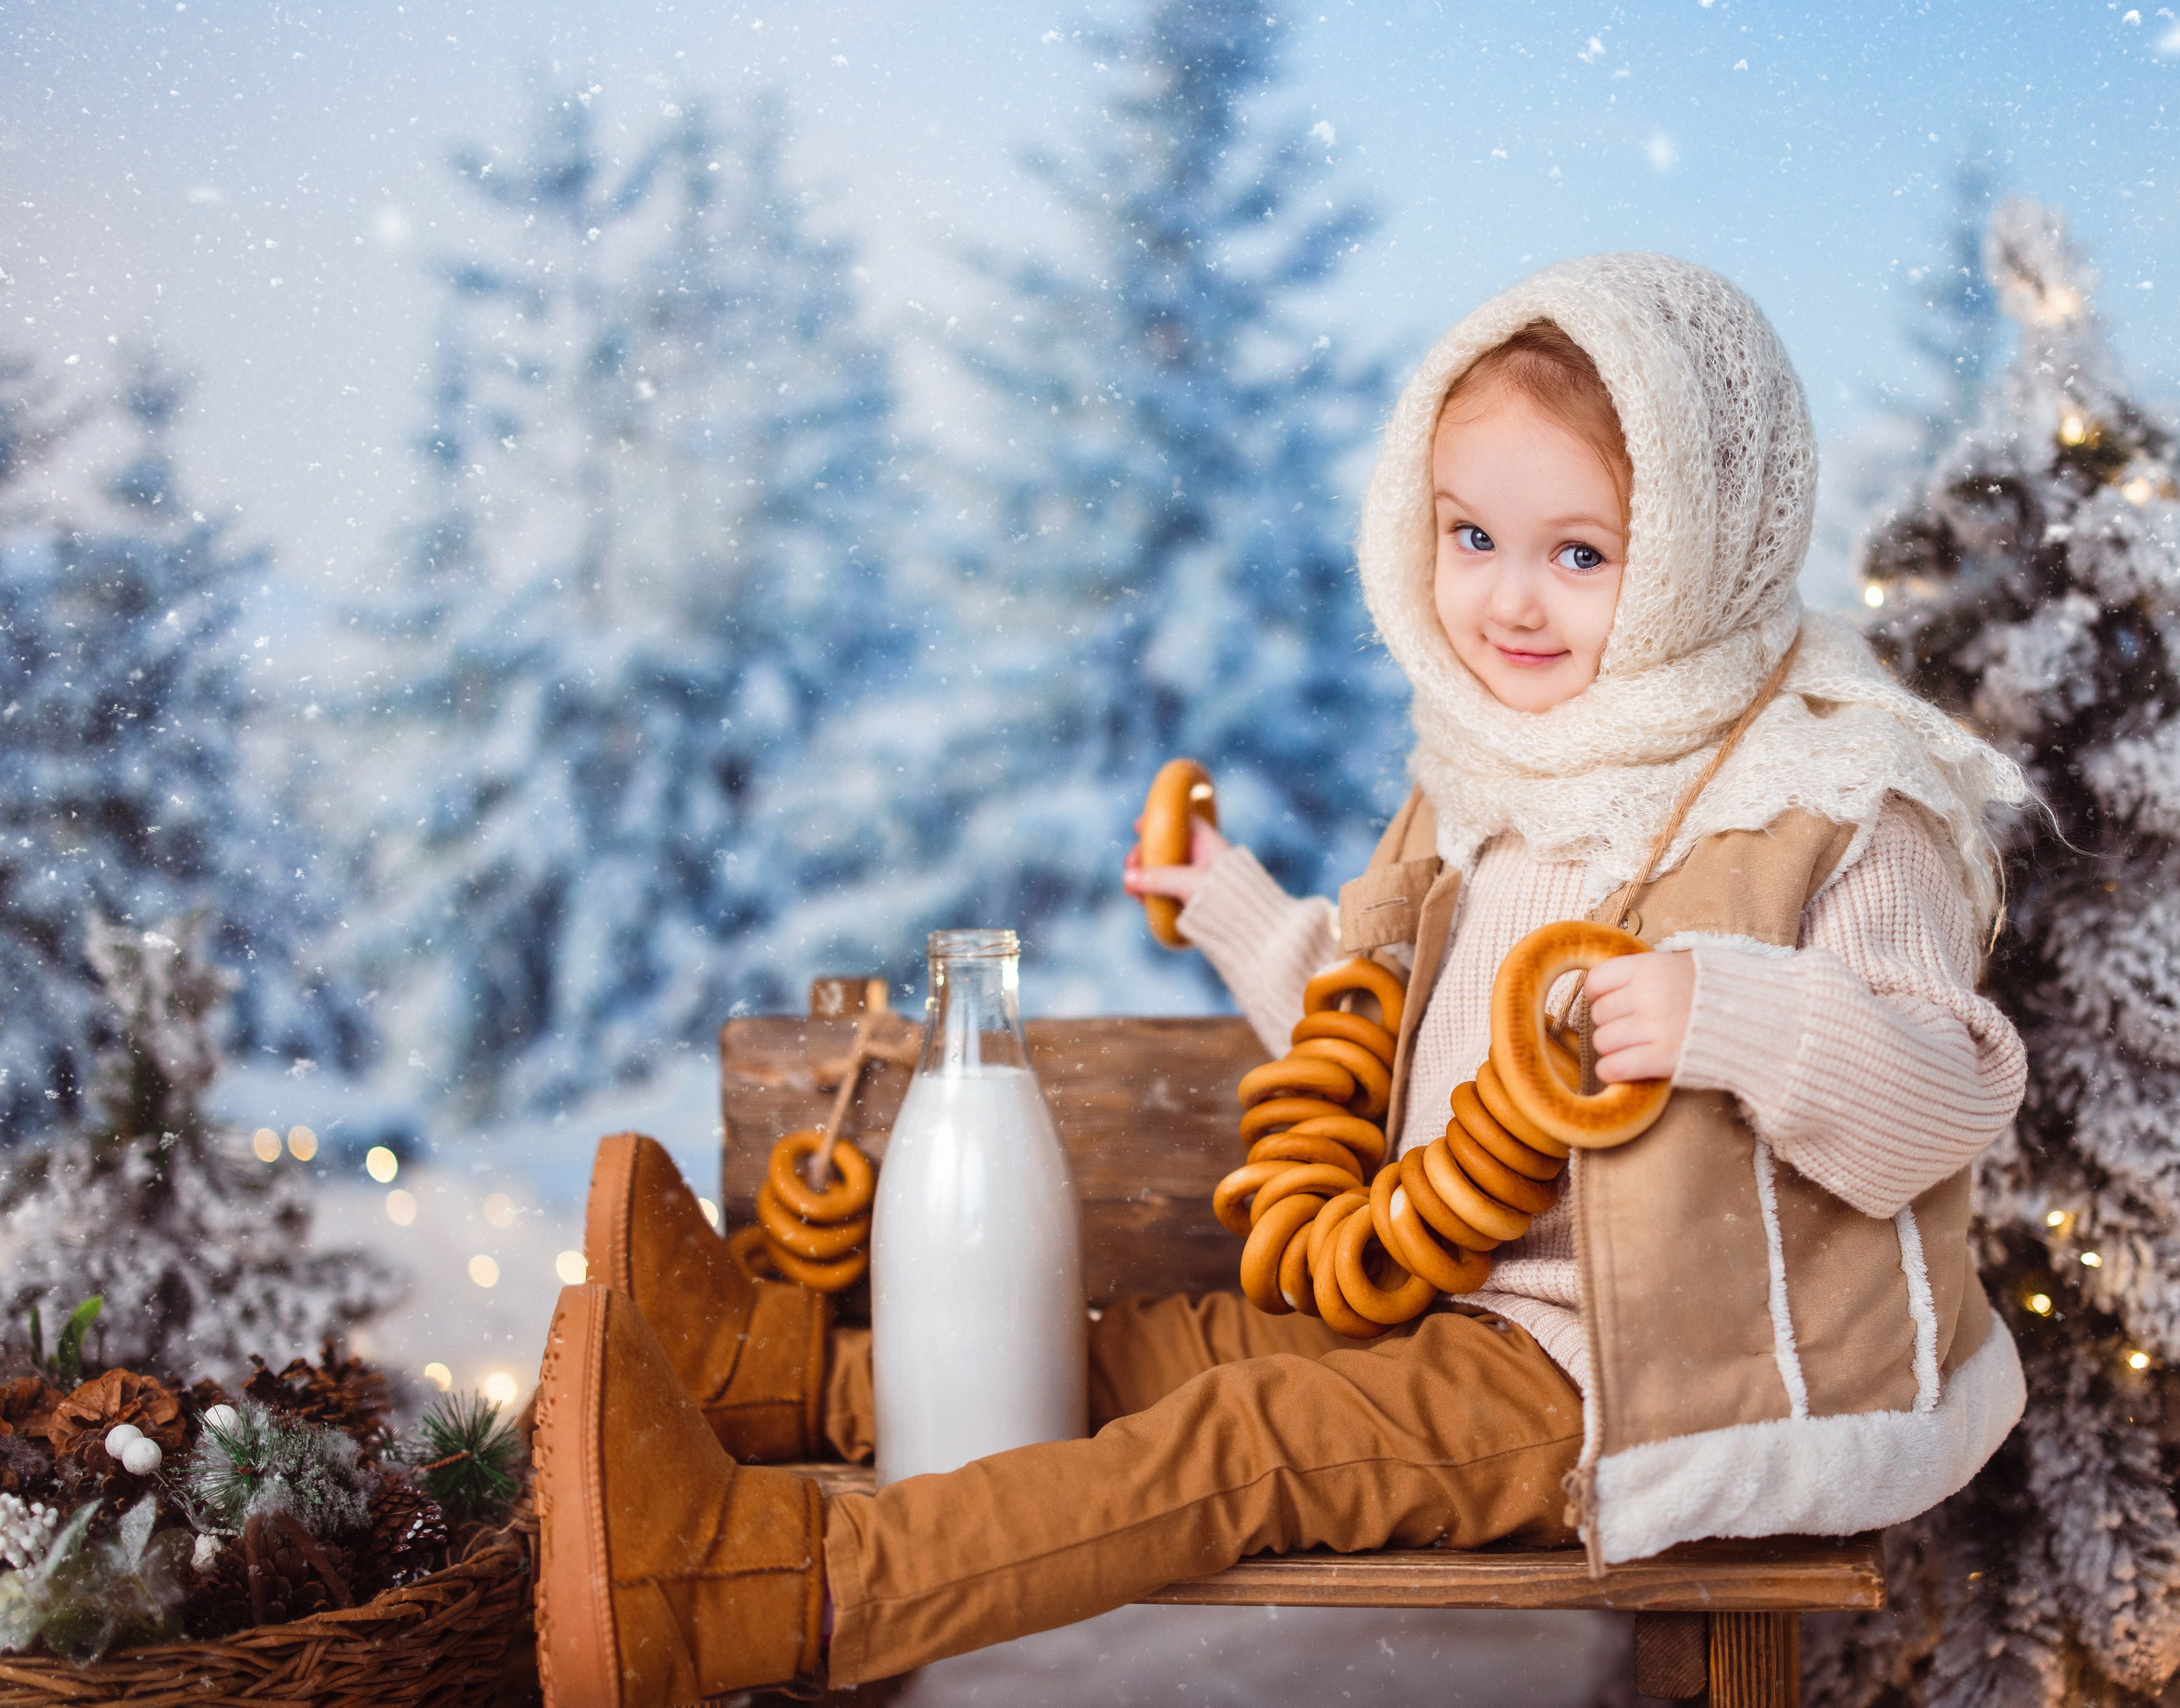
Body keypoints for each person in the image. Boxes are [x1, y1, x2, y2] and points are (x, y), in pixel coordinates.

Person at [530, 253, 2034, 1706]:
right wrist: (1232, 908)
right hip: (1433, 1294)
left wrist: (1735, 1018)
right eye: (1471, 537)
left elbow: (1947, 1095)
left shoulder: (1837, 794)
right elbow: (1377, 1028)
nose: (1511, 603)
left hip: (1634, 1381)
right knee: (1142, 1351)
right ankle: (769, 1377)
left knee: (1240, 1443)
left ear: (1711, 543)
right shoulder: (1495, 772)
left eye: (1580, 554)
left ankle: (760, 1589)